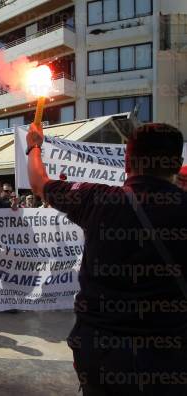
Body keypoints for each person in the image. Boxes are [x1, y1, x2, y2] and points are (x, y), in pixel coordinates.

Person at [26, 122, 187, 395]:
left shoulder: (98, 199)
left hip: (102, 356)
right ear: (177, 163)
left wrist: (34, 147)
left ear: (127, 158)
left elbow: (40, 183)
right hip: (170, 360)